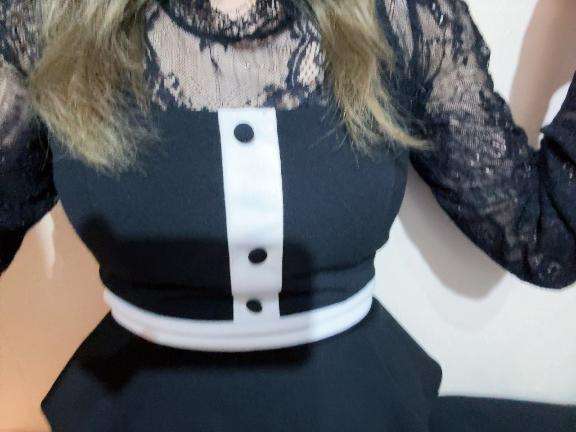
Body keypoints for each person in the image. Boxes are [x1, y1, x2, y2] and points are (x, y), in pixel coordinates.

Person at [1, 0, 575, 430]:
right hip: (132, 408)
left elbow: (543, 239)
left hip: (355, 404)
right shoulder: (46, 20)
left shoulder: (401, 15)